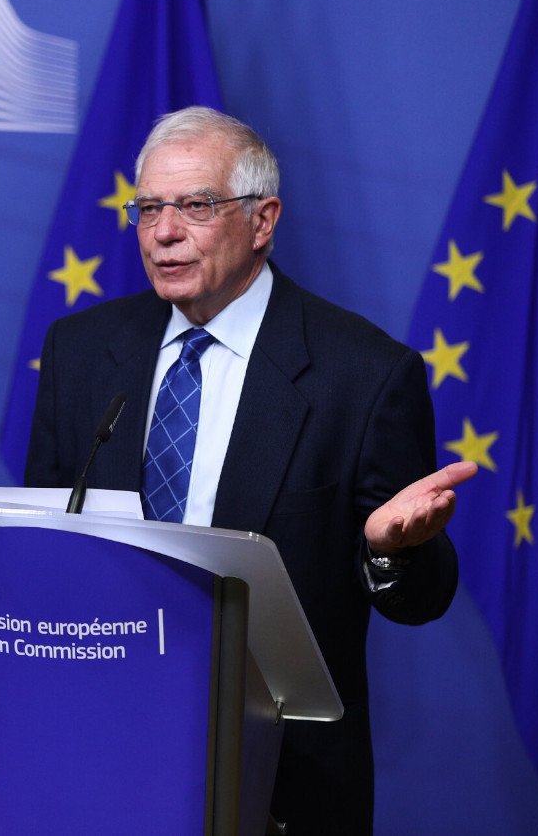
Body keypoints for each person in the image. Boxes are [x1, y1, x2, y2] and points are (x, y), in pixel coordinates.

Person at [25, 106, 476, 834]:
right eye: (148, 208)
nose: (164, 232)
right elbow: (40, 542)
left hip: (279, 778)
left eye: (196, 206)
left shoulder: (362, 374)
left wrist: (391, 551)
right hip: (99, 748)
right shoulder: (80, 351)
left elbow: (420, 599)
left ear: (262, 221)